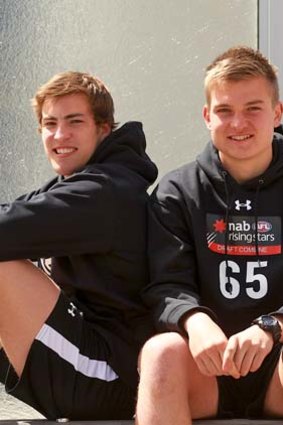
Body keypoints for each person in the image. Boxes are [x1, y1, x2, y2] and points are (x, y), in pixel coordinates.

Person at [135, 46, 283, 424]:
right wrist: (194, 321)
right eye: (224, 111)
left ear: (277, 112)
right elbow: (166, 285)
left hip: (277, 365)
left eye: (253, 108)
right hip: (208, 367)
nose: (238, 123)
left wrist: (273, 325)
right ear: (206, 116)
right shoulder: (177, 191)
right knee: (160, 352)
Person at [0, 71, 158, 420]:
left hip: (112, 376)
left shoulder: (105, 193)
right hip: (85, 362)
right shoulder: (72, 187)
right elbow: (15, 215)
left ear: (103, 128)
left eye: (74, 122)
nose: (59, 135)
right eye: (49, 123)